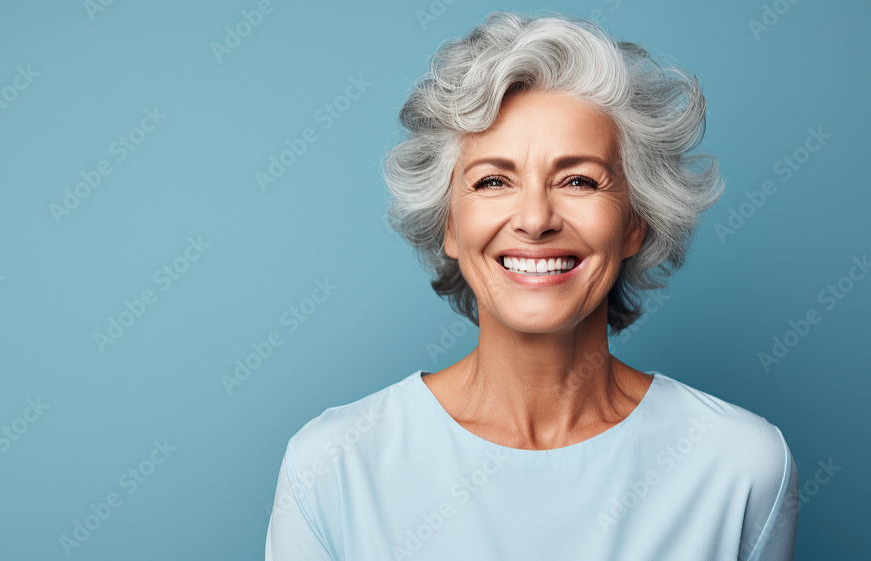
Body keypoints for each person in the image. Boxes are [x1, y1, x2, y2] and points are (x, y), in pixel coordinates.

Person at [265, 11, 798, 561]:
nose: (536, 218)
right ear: (449, 224)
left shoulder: (741, 466)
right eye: (494, 180)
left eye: (579, 180)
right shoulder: (332, 466)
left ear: (635, 221)